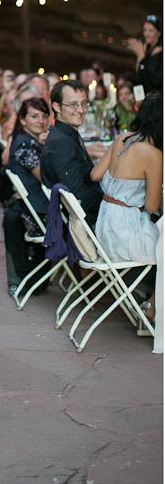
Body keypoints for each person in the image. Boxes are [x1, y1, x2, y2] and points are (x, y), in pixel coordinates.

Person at [91, 93, 162, 319]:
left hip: (104, 228)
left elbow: (95, 174)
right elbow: (152, 206)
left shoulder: (122, 138)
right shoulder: (153, 154)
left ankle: (147, 300)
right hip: (125, 234)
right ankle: (151, 306)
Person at [3, 98, 50, 293]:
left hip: (29, 207)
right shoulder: (26, 146)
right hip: (35, 214)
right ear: (22, 120)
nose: (40, 120)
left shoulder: (26, 140)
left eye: (44, 116)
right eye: (34, 116)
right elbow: (46, 178)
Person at [41, 80, 103, 228]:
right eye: (73, 104)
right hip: (85, 225)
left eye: (84, 103)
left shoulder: (66, 134)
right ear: (56, 106)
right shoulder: (61, 143)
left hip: (85, 218)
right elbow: (79, 197)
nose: (81, 110)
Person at [125, 13, 162, 94]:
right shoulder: (145, 49)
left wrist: (141, 58)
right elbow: (139, 78)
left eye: (151, 30)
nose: (146, 34)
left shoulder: (160, 54)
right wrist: (140, 57)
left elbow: (152, 83)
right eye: (145, 30)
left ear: (159, 33)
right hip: (143, 98)